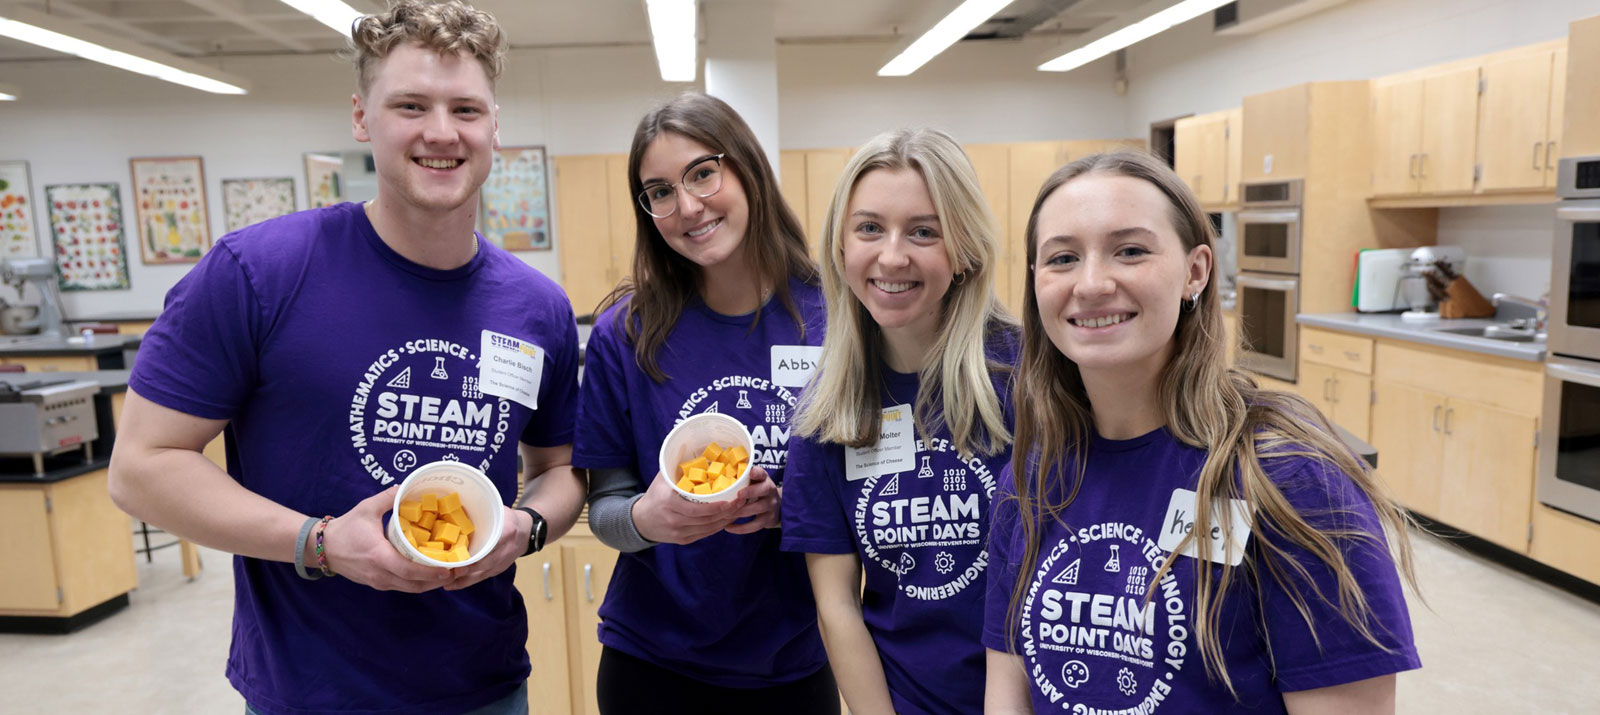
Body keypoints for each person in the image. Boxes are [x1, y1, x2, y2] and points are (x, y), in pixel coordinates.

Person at [107, 2, 586, 713]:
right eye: (411, 105)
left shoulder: (536, 306)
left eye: (466, 108)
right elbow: (141, 468)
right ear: (362, 118)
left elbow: (559, 469)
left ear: (494, 124)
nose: (441, 132)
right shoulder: (258, 272)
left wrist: (525, 525)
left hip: (484, 686)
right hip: (310, 692)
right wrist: (321, 542)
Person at [982, 151, 1421, 714]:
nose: (1091, 283)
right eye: (1062, 258)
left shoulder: (1290, 479)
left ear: (1195, 271)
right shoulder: (1030, 479)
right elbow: (1007, 690)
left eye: (1131, 251)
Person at [572, 92, 836, 714]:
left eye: (702, 173)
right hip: (652, 666)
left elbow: (869, 491)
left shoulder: (836, 319)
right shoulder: (626, 332)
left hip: (795, 661)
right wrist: (646, 521)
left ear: (746, 168)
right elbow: (606, 502)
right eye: (659, 191)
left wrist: (787, 507)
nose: (687, 206)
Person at [780, 128, 1017, 715]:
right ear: (840, 247)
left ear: (964, 249)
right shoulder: (826, 414)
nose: (891, 256)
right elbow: (837, 607)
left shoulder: (1032, 381)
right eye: (869, 228)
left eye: (923, 232)